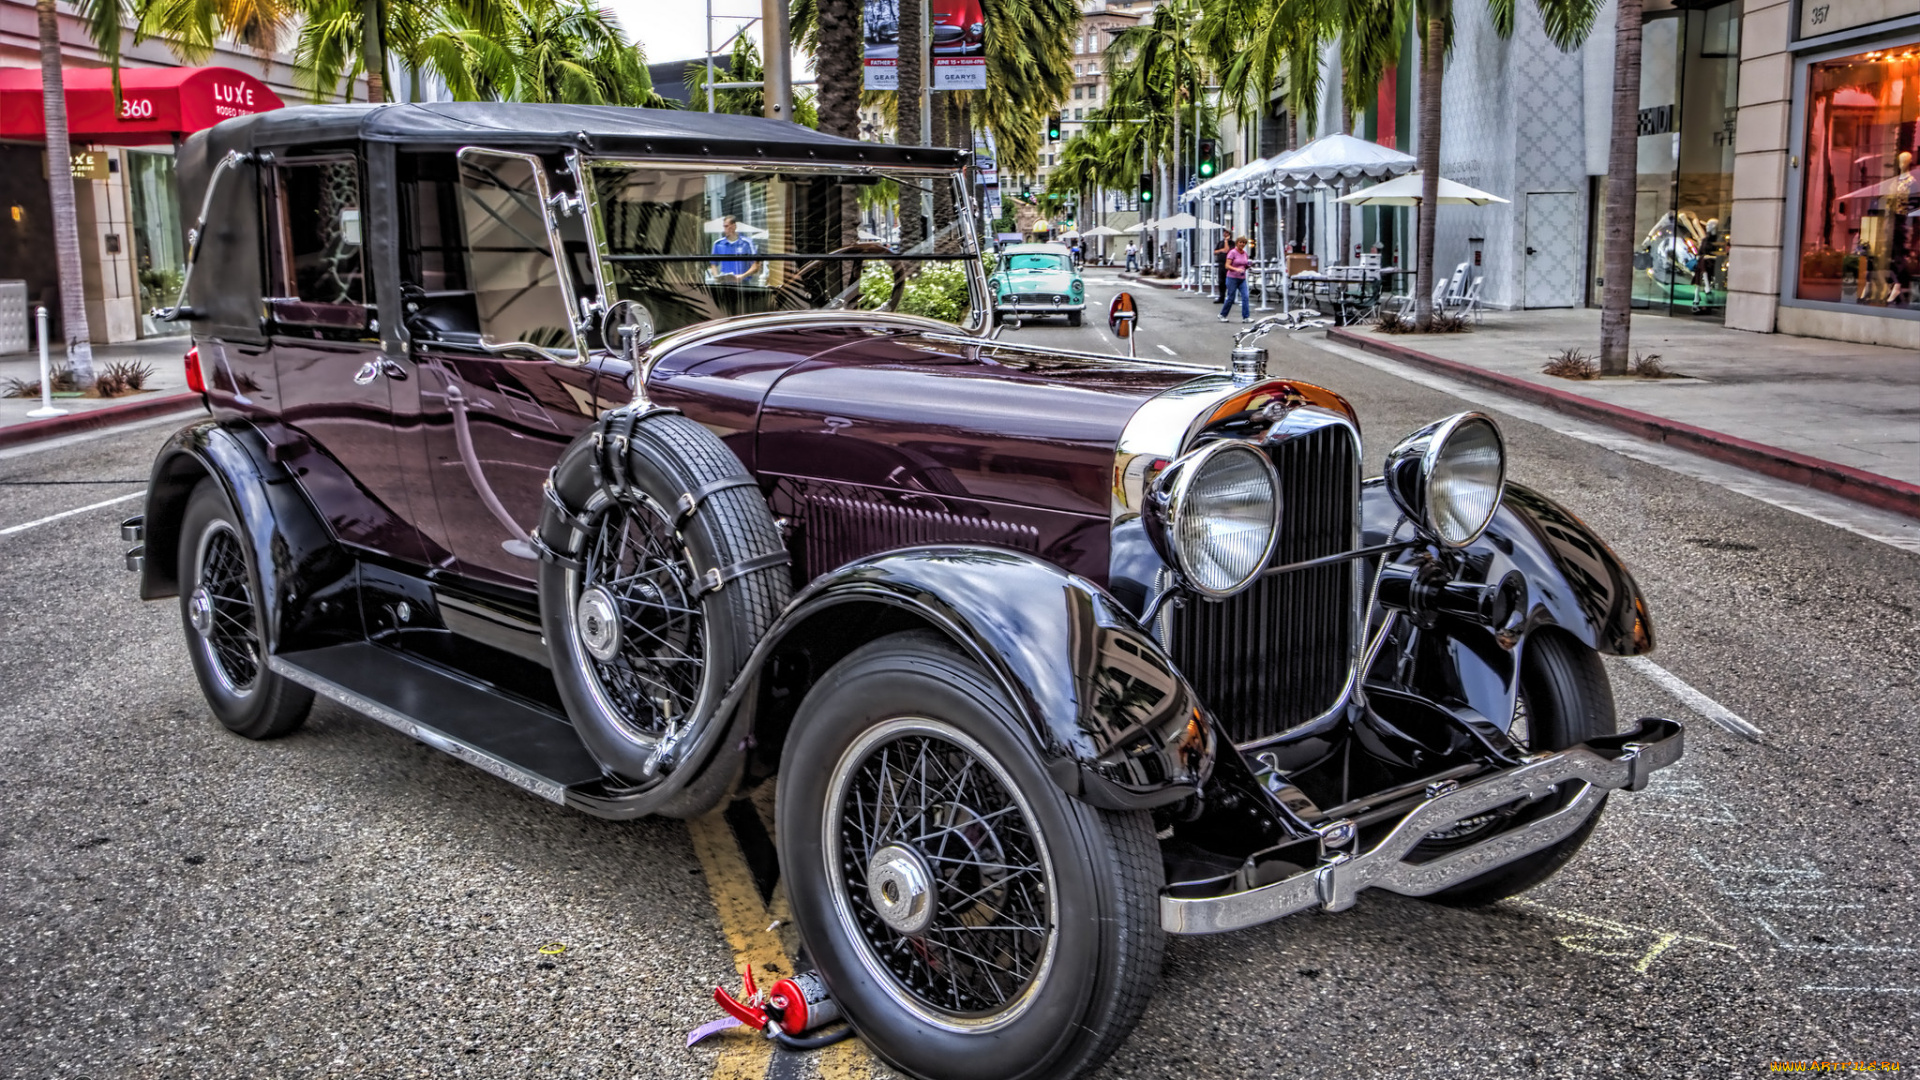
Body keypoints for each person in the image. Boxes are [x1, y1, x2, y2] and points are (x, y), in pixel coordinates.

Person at [711, 215, 760, 283]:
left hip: (743, 283)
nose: (725, 229)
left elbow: (756, 265)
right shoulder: (718, 244)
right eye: (724, 226)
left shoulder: (747, 243)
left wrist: (743, 276)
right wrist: (717, 278)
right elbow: (713, 264)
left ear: (734, 226)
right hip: (725, 284)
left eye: (727, 226)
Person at [1219, 236, 1251, 322]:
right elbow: (1227, 265)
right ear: (1237, 243)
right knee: (1230, 298)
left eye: (1244, 243)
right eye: (1241, 242)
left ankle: (1246, 317)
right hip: (1232, 278)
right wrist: (1237, 269)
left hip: (1242, 278)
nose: (1242, 244)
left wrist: (1248, 266)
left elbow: (1245, 265)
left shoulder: (1245, 254)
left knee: (1245, 296)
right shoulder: (1232, 252)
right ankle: (1222, 314)